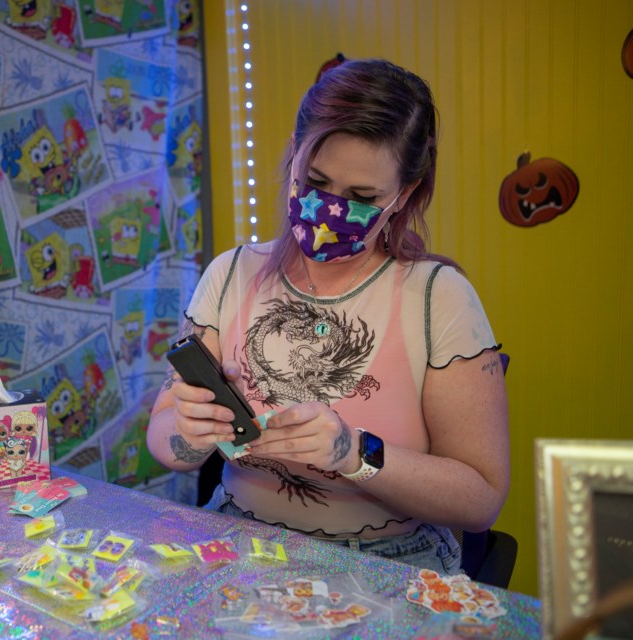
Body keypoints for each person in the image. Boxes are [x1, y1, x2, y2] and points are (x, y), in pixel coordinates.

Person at [147, 58, 509, 574]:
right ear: (294, 157)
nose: (330, 209)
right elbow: (166, 444)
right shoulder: (229, 274)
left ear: (403, 196)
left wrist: (353, 452)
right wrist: (191, 431)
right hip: (236, 537)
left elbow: (480, 501)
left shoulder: (440, 298)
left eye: (362, 197)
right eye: (315, 181)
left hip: (390, 561)